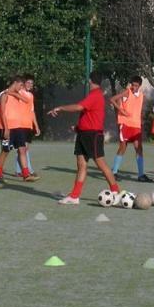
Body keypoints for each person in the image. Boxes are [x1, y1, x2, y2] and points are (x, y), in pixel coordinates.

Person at [47, 71, 122, 206]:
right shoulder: (94, 95)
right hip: (83, 134)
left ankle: (116, 192)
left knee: (101, 164)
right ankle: (75, 196)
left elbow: (78, 107)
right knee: (81, 165)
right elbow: (89, 115)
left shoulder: (95, 94)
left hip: (92, 135)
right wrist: (78, 127)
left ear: (90, 81)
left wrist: (60, 108)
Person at [0, 75, 40, 184]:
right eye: (20, 85)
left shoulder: (16, 94)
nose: (21, 88)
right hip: (8, 128)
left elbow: (26, 100)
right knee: (5, 151)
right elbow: (2, 112)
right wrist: (6, 128)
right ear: (15, 83)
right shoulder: (3, 95)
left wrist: (14, 93)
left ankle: (26, 174)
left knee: (22, 149)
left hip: (18, 128)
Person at [110, 76, 150, 182]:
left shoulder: (141, 96)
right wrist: (121, 110)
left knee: (139, 149)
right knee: (123, 147)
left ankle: (141, 175)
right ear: (130, 84)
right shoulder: (127, 92)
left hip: (136, 126)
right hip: (125, 124)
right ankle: (114, 172)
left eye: (136, 85)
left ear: (140, 86)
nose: (134, 87)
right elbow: (112, 99)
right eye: (133, 85)